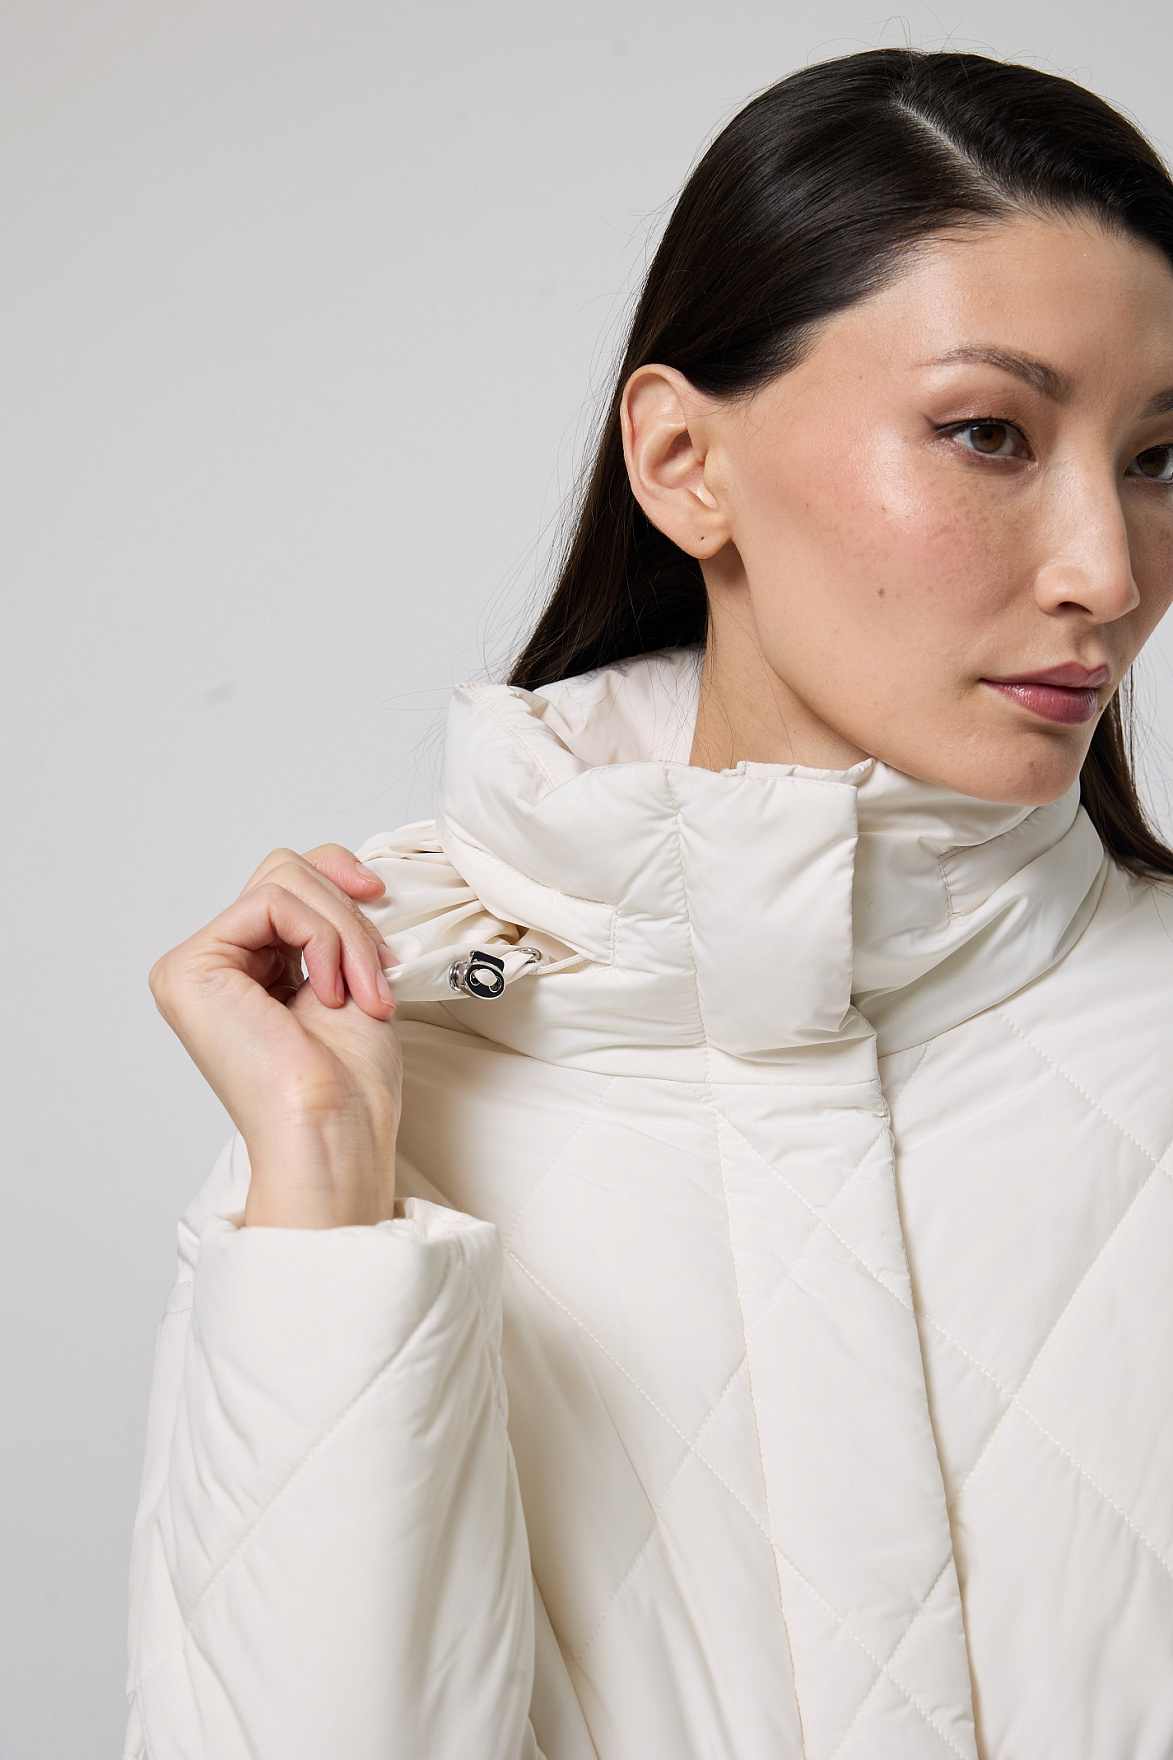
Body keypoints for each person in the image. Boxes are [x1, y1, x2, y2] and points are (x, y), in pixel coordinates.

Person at [125, 48, 1173, 1760]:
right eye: (988, 434)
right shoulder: (375, 1108)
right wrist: (322, 1207)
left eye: (1158, 459)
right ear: (682, 459)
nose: (1108, 573)